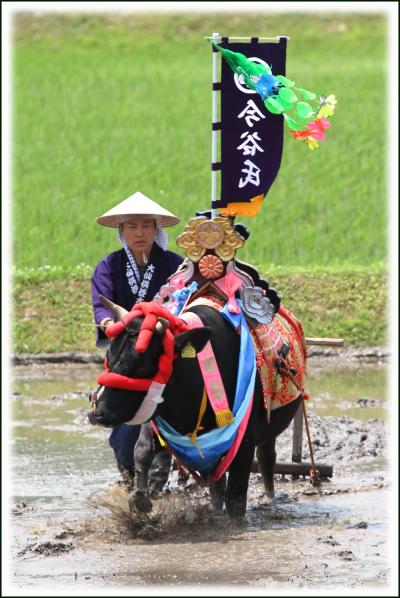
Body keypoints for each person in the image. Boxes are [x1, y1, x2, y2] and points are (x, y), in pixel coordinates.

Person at [91, 190, 183, 491]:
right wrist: (109, 323)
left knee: (173, 413)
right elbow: (102, 305)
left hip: (165, 351)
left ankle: (160, 478)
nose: (139, 233)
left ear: (157, 230)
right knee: (121, 429)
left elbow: (186, 300)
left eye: (146, 225)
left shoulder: (175, 265)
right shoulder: (109, 266)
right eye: (132, 226)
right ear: (121, 231)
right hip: (126, 354)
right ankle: (129, 477)